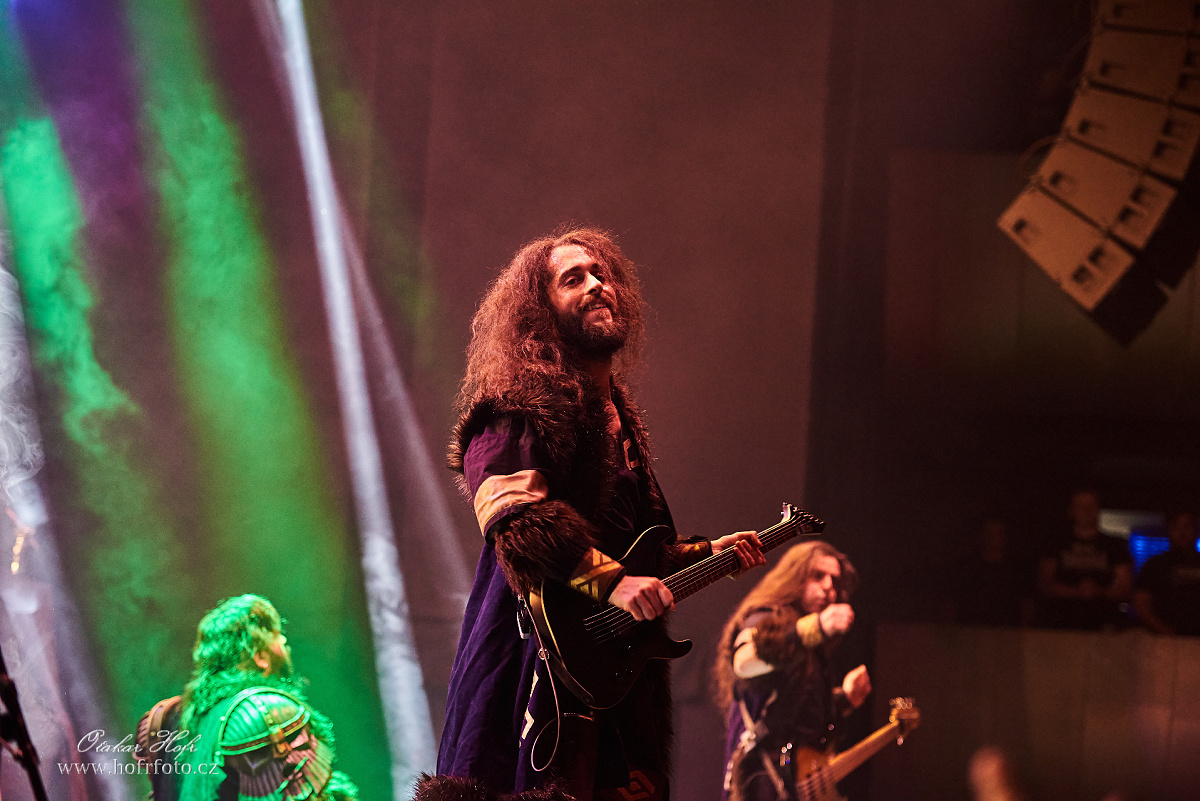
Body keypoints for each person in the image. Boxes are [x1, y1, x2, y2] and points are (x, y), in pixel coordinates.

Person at [434, 227, 764, 801]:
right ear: (539, 313)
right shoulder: (515, 408)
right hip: (535, 663)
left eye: (601, 274)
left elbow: (637, 552)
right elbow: (515, 524)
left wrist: (708, 554)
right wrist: (611, 582)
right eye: (573, 278)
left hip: (619, 676)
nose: (596, 285)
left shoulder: (621, 422)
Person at [135, 594, 358, 801]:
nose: (285, 646)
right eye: (279, 638)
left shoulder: (197, 719)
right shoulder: (262, 710)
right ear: (260, 656)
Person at [713, 541, 871, 801]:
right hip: (760, 781)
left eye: (834, 580)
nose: (828, 587)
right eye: (818, 576)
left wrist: (846, 698)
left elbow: (801, 718)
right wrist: (816, 627)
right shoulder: (766, 618)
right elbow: (743, 662)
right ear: (794, 578)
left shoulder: (810, 645)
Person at [1036, 489, 1133, 630]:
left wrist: (1099, 591)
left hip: (1103, 623)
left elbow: (1125, 587)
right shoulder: (1056, 543)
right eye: (1080, 506)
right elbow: (1045, 583)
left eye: (1091, 506)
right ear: (1071, 511)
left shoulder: (1114, 545)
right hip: (1061, 622)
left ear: (1098, 510)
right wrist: (1076, 591)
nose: (1086, 511)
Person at [1133, 510, 1200, 636]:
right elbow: (1141, 603)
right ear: (1169, 530)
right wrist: (1162, 629)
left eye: (1187, 525)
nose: (1182, 532)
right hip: (1164, 638)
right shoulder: (1154, 565)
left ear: (1195, 530)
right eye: (1176, 526)